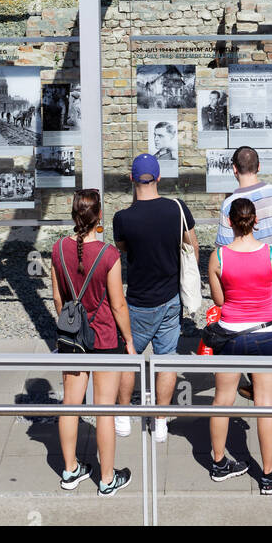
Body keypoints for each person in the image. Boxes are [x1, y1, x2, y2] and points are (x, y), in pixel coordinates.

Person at [50, 187, 136, 496]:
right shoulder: (109, 255)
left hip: (72, 339)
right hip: (104, 338)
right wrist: (128, 340)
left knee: (70, 405)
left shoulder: (57, 249)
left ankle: (70, 470)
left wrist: (70, 326)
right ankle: (107, 477)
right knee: (104, 410)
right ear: (99, 216)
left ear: (74, 215)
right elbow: (118, 305)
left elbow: (58, 299)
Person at [207, 197, 272, 495]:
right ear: (256, 221)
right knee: (265, 405)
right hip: (266, 332)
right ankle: (268, 475)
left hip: (230, 333)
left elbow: (220, 301)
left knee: (222, 400)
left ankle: (218, 463)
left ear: (230, 222)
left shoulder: (218, 257)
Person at [113, 154, 198, 443]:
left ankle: (123, 416)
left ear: (132, 179)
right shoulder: (177, 209)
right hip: (171, 299)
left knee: (128, 358)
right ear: (158, 178)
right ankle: (161, 421)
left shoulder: (122, 218)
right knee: (166, 360)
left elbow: (123, 249)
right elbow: (193, 248)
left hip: (137, 301)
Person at [215, 145, 272, 398]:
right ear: (259, 167)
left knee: (254, 328)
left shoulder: (230, 205)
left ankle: (259, 382)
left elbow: (224, 248)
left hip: (247, 281)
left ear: (234, 169)